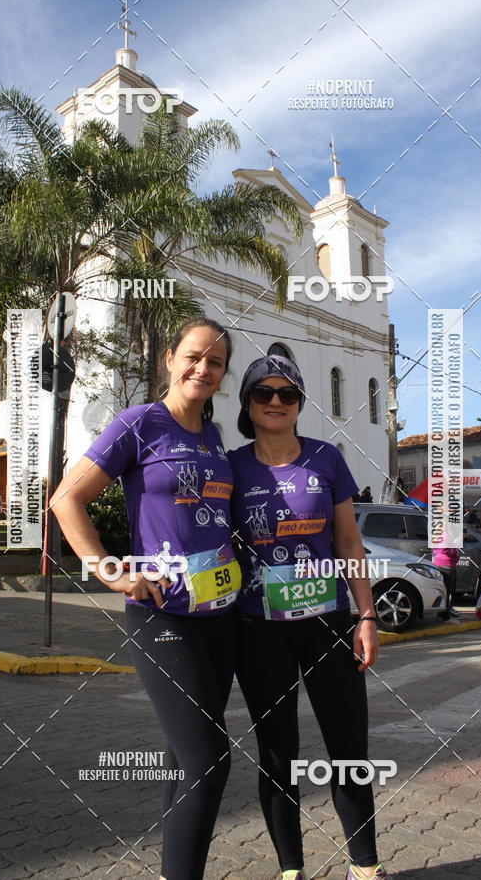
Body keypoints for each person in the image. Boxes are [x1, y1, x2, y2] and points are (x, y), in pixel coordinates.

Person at [52, 317, 240, 880]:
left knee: (187, 758)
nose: (203, 369)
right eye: (194, 357)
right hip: (162, 616)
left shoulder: (214, 437)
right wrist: (112, 571)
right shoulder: (138, 424)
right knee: (211, 761)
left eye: (215, 363)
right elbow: (67, 499)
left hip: (220, 616)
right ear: (169, 359)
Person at [229, 355, 388, 880]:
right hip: (258, 631)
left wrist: (366, 616)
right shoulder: (231, 466)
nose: (276, 402)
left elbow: (347, 540)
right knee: (278, 756)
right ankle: (290, 869)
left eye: (288, 394)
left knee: (348, 748)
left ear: (299, 403)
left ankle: (364, 865)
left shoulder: (325, 458)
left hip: (329, 625)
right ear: (248, 404)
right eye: (263, 393)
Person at [431, 546, 460, 624]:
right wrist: (455, 551)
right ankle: (446, 618)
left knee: (444, 591)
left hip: (441, 562)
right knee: (447, 592)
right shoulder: (446, 534)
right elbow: (444, 549)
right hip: (446, 564)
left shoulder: (440, 533)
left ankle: (441, 612)